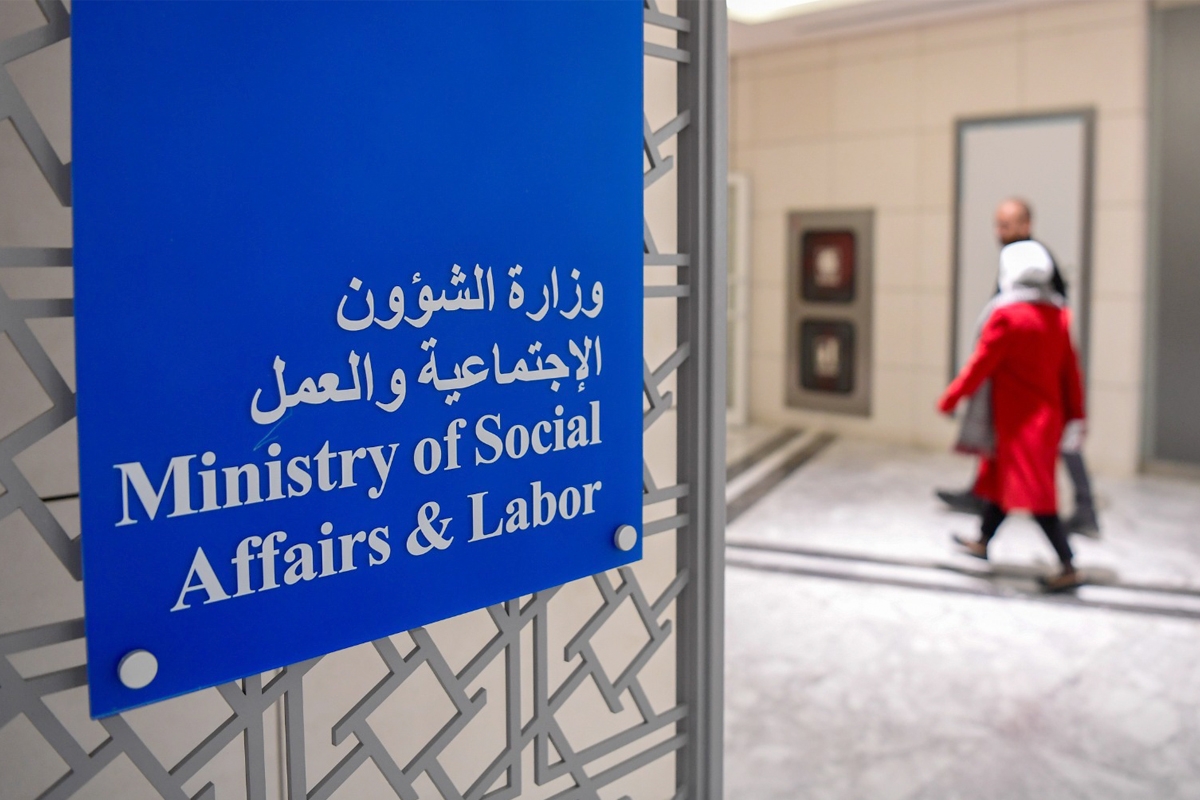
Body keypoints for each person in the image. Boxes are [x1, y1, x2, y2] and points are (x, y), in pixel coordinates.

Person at [936, 198, 1099, 536]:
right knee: (1004, 445)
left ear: (1026, 225)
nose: (1000, 232)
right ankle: (984, 503)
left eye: (1007, 225)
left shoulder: (1032, 268)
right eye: (998, 225)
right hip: (1020, 382)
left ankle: (1083, 511)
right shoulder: (1017, 268)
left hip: (1036, 380)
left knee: (1058, 448)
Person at [938, 239, 1086, 592]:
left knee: (1037, 496)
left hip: (1018, 424)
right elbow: (1071, 373)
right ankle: (983, 541)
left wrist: (951, 397)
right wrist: (1077, 417)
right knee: (1000, 483)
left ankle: (1067, 564)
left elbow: (981, 364)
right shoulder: (1058, 316)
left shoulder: (1007, 316)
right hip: (1044, 422)